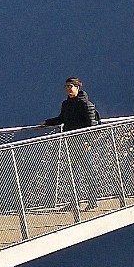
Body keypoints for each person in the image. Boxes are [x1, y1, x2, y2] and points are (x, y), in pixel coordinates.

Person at [42, 78, 104, 209]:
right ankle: (74, 202)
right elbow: (61, 119)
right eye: (66, 87)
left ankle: (93, 201)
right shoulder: (66, 104)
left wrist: (88, 142)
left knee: (89, 172)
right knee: (73, 174)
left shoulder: (86, 104)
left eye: (70, 86)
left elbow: (92, 126)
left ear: (77, 87)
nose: (68, 89)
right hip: (71, 143)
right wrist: (47, 122)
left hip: (83, 144)